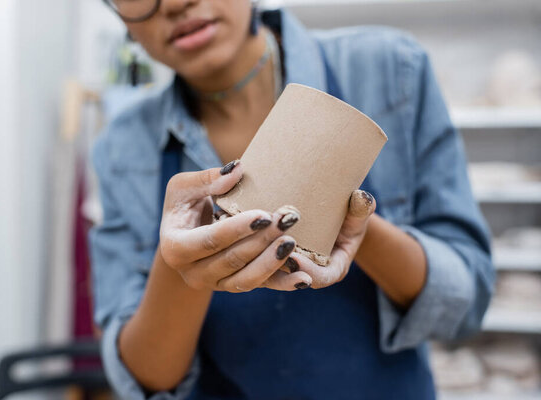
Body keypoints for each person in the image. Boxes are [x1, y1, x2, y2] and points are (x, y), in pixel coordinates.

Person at [90, 1, 495, 399]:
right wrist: (181, 262)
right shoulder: (123, 147)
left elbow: (464, 302)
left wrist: (342, 220)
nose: (176, 4)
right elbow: (145, 378)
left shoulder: (389, 70)